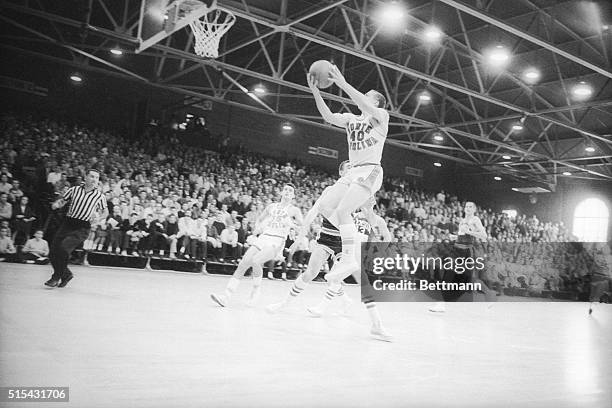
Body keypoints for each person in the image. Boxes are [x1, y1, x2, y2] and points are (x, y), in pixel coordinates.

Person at [307, 65, 389, 286]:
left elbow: (361, 102)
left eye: (368, 96)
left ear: (376, 103)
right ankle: (348, 248)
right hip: (352, 171)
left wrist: (342, 84)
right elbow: (327, 116)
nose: (364, 98)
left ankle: (349, 258)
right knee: (326, 206)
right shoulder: (351, 119)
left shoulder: (381, 117)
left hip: (371, 170)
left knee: (343, 210)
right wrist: (316, 91)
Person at [211, 184, 303, 307]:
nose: (287, 192)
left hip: (277, 240)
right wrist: (258, 227)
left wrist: (291, 225)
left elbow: (302, 228)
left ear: (293, 195)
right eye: (285, 189)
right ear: (281, 192)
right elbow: (259, 219)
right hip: (264, 237)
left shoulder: (294, 210)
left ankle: (256, 290)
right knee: (243, 263)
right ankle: (226, 296)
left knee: (256, 261)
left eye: (290, 190)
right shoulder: (271, 207)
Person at [45, 169, 108, 288]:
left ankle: (56, 276)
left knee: (64, 248)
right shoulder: (74, 190)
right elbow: (63, 201)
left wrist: (98, 219)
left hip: (82, 227)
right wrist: (57, 204)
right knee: (53, 252)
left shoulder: (99, 196)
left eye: (97, 177)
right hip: (68, 223)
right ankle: (66, 274)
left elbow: (105, 212)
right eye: (92, 176)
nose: (94, 179)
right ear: (86, 177)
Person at [429, 201, 488, 313]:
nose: (468, 208)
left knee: (469, 279)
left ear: (474, 209)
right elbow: (462, 235)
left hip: (467, 251)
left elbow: (484, 235)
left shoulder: (475, 220)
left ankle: (488, 294)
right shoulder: (462, 221)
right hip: (457, 249)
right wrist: (454, 237)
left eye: (471, 207)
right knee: (448, 275)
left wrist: (470, 232)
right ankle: (441, 304)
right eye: (466, 206)